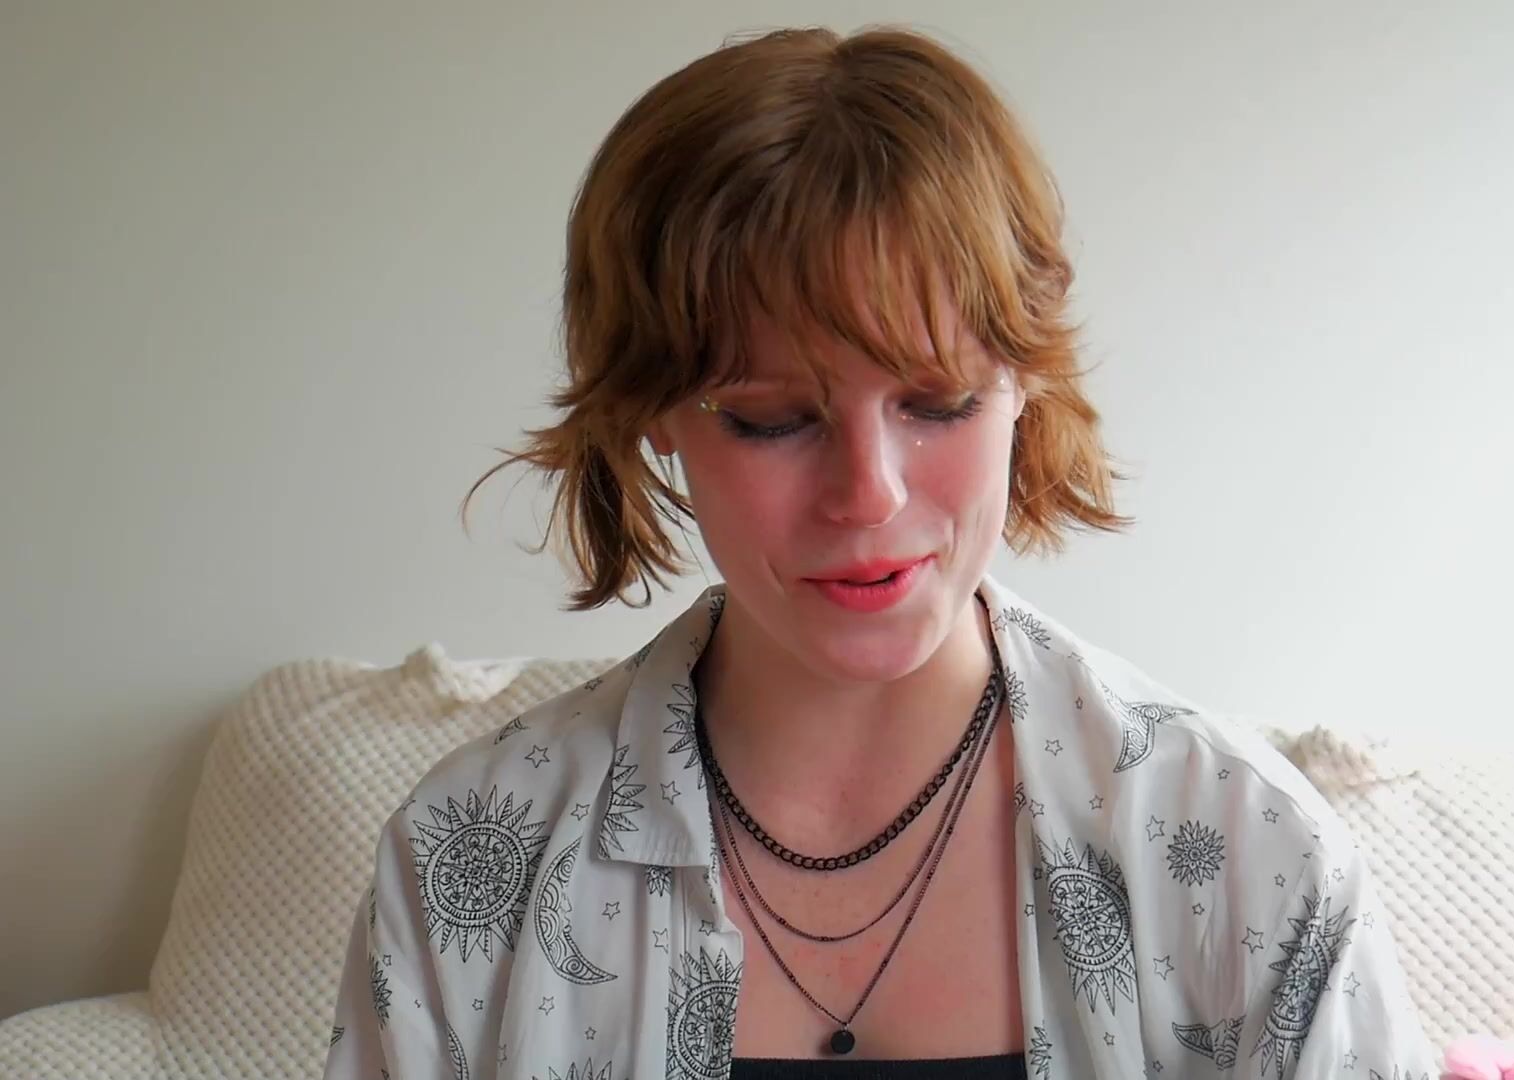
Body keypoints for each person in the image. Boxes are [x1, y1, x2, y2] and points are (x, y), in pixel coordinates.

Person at [322, 24, 1437, 1080]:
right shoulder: (470, 860)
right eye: (772, 419)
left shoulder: (1248, 855)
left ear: (1024, 383)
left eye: (938, 402)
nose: (869, 494)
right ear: (651, 409)